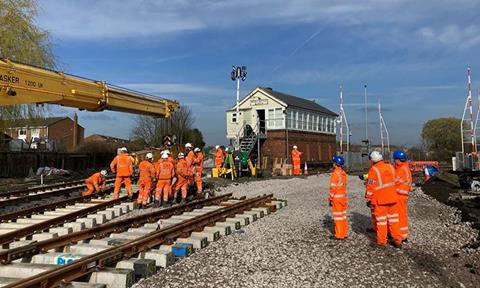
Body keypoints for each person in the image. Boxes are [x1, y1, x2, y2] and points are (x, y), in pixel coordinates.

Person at [366, 151, 402, 248]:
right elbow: (397, 181)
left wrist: (369, 198)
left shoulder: (373, 170)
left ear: (373, 160)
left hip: (381, 200)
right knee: (394, 220)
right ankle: (397, 240)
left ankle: (381, 242)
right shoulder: (390, 167)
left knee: (381, 221)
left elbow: (370, 186)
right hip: (393, 198)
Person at [393, 150, 412, 242]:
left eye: (394, 160)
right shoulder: (405, 167)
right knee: (402, 215)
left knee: (399, 215)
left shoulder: (401, 169)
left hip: (399, 195)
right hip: (403, 194)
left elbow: (393, 181)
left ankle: (399, 235)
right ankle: (403, 235)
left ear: (397, 159)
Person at [329, 156, 348, 239]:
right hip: (343, 198)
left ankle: (339, 235)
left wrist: (330, 198)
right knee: (343, 216)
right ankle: (344, 233)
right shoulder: (343, 173)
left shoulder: (335, 174)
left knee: (337, 217)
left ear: (335, 164)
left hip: (336, 198)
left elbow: (333, 188)